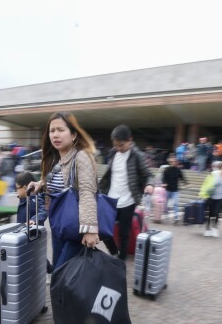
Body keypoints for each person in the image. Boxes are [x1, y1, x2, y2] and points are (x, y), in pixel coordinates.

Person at [26, 112, 100, 270]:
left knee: (62, 273)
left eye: (60, 130)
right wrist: (41, 184)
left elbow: (87, 192)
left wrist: (89, 229)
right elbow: (58, 185)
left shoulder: (82, 157)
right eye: (52, 131)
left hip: (75, 227)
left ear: (73, 134)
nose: (55, 135)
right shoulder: (53, 160)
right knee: (62, 275)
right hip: (58, 225)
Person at [99, 125, 155, 261]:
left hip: (127, 201)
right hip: (110, 199)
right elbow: (108, 175)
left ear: (130, 140)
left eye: (121, 145)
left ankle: (121, 259)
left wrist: (149, 184)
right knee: (102, 229)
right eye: (115, 144)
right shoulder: (113, 153)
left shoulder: (137, 156)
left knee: (124, 234)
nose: (118, 147)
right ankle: (113, 251)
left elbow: (148, 175)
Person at [199, 161, 222, 237]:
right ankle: (207, 229)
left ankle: (214, 229)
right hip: (210, 197)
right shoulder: (214, 174)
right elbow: (205, 184)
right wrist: (202, 194)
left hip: (221, 198)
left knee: (216, 213)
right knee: (210, 213)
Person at [161, 156, 188, 223]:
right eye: (173, 162)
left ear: (177, 163)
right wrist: (164, 183)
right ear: (170, 162)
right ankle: (166, 216)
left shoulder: (178, 170)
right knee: (166, 204)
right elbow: (163, 177)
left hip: (175, 190)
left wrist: (186, 183)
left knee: (176, 203)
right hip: (167, 190)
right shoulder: (167, 169)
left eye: (175, 162)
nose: (174, 163)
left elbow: (182, 177)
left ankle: (176, 218)